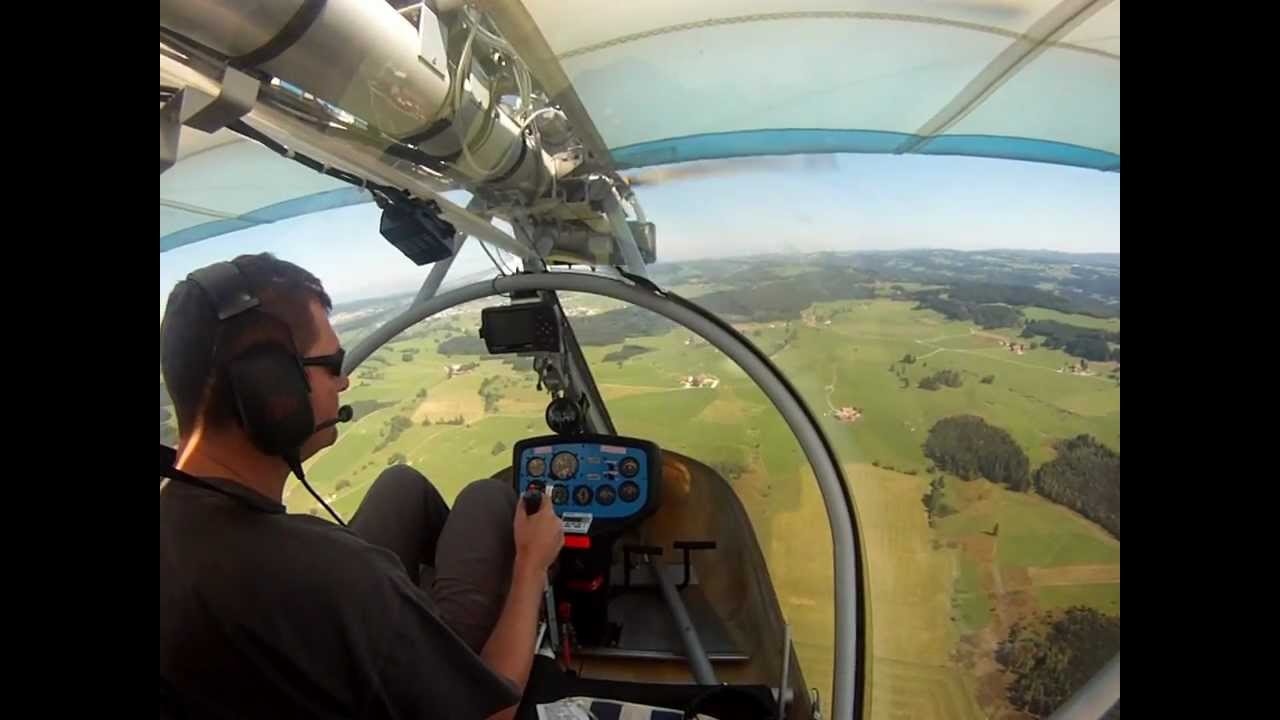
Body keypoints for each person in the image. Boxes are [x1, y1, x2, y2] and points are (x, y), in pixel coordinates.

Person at [160, 253, 563, 719]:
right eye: (331, 364)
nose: (345, 380)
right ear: (268, 389)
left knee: (401, 485)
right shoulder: (338, 574)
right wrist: (532, 566)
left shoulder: (177, 521)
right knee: (486, 496)